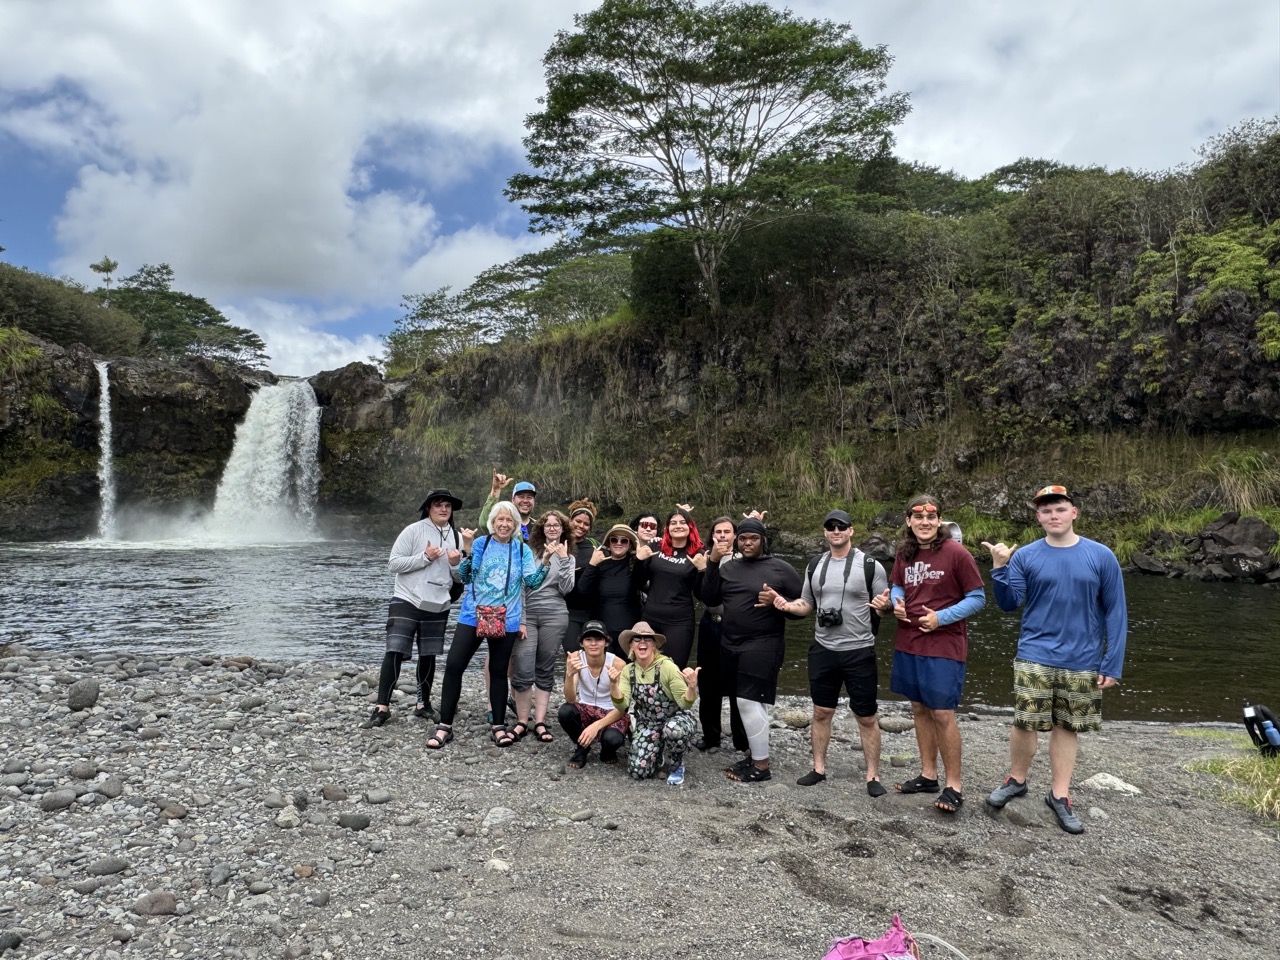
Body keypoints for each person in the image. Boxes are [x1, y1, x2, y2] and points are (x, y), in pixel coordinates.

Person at [981, 485, 1128, 834]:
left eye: (1060, 509)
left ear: (1074, 512)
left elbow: (1116, 611)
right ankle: (1016, 780)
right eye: (1046, 511)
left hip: (1083, 658)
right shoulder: (1026, 556)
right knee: (1024, 721)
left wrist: (1112, 662)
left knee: (1067, 726)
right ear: (1038, 517)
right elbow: (1008, 603)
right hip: (1035, 653)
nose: (1053, 515)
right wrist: (999, 568)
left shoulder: (1101, 556)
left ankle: (1059, 795)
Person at [874, 495, 986, 814]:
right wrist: (896, 603)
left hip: (944, 645)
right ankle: (928, 775)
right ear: (908, 521)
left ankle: (954, 786)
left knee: (942, 713)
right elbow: (898, 585)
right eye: (918, 517)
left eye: (931, 517)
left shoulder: (956, 553)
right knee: (919, 708)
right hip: (909, 642)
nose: (925, 522)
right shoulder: (905, 552)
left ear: (939, 521)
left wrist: (941, 618)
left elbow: (977, 598)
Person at [773, 509, 890, 796]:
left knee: (866, 716)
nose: (836, 531)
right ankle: (818, 769)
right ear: (825, 532)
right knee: (821, 711)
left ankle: (873, 776)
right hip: (823, 649)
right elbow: (806, 604)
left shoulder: (870, 566)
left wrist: (885, 606)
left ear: (851, 531)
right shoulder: (815, 565)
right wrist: (787, 606)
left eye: (841, 526)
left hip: (859, 650)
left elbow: (884, 606)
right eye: (830, 527)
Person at [427, 501, 549, 750]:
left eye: (509, 520)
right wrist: (468, 549)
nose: (504, 524)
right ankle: (445, 725)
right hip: (473, 615)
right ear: (492, 522)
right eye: (499, 519)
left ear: (515, 524)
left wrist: (546, 561)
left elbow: (532, 583)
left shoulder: (522, 549)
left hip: (507, 617)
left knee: (498, 671)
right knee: (454, 666)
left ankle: (499, 726)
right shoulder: (481, 543)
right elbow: (466, 576)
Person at [701, 517, 803, 783]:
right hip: (730, 643)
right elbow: (709, 597)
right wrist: (712, 563)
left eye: (753, 538)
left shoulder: (780, 568)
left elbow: (804, 606)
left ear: (763, 541)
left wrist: (779, 602)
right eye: (743, 538)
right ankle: (756, 755)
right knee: (745, 700)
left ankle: (761, 766)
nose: (747, 543)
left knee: (748, 700)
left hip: (764, 643)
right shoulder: (729, 567)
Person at [366, 489, 464, 728]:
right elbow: (393, 564)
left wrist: (455, 564)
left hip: (438, 602)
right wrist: (425, 557)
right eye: (438, 505)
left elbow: (460, 578)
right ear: (428, 508)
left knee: (429, 653)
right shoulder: (413, 530)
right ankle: (382, 707)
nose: (443, 509)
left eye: (447, 506)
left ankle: (423, 704)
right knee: (395, 650)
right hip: (406, 599)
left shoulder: (458, 537)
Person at [511, 510, 576, 743]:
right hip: (528, 612)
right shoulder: (528, 553)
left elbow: (567, 589)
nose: (552, 528)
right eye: (548, 525)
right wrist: (521, 619)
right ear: (541, 529)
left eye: (557, 525)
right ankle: (522, 721)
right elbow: (520, 587)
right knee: (523, 666)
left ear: (563, 529)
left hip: (555, 614)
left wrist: (565, 560)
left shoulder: (569, 556)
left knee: (545, 667)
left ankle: (539, 722)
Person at [608, 621, 700, 785]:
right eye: (637, 639)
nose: (642, 642)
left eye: (647, 639)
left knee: (673, 730)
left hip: (676, 719)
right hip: (649, 723)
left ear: (654, 645)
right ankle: (657, 754)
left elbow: (685, 704)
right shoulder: (628, 671)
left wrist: (692, 686)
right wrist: (614, 685)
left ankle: (677, 764)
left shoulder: (668, 667)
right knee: (638, 772)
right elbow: (622, 705)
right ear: (631, 646)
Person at [693, 516, 743, 753]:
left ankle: (741, 739)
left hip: (735, 625)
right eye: (718, 532)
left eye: (727, 531)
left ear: (735, 535)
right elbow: (700, 594)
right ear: (712, 535)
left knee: (737, 683)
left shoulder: (744, 558)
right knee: (708, 682)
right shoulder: (704, 556)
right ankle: (711, 736)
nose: (722, 535)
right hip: (710, 623)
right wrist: (703, 569)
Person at [639, 506, 704, 669]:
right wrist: (640, 561)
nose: (678, 526)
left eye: (682, 522)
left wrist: (703, 571)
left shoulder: (698, 553)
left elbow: (701, 594)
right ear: (667, 528)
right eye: (673, 523)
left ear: (690, 526)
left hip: (679, 622)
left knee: (673, 670)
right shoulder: (656, 546)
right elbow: (638, 582)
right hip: (650, 618)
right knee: (643, 668)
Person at [558, 619, 630, 767]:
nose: (593, 644)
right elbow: (570, 699)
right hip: (586, 708)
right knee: (565, 711)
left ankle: (607, 750)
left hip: (612, 711)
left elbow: (622, 708)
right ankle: (582, 748)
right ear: (581, 643)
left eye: (598, 639)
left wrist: (596, 726)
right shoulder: (575, 658)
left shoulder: (618, 664)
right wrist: (569, 675)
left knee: (613, 739)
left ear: (606, 642)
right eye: (588, 639)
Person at [576, 523, 646, 656]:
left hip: (628, 633)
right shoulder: (599, 564)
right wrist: (592, 564)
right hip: (602, 633)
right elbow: (583, 591)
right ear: (609, 543)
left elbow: (640, 583)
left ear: (630, 545)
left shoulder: (635, 566)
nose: (618, 543)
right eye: (614, 539)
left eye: (624, 541)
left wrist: (640, 560)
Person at [562, 499, 600, 653]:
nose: (581, 526)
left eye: (586, 524)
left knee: (593, 653)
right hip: (569, 610)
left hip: (592, 610)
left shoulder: (594, 546)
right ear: (570, 520)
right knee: (572, 651)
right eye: (578, 521)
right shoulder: (561, 544)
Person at [477, 470, 537, 538]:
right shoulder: (503, 526)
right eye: (521, 497)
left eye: (529, 497)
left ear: (534, 501)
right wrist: (495, 490)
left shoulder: (541, 527)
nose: (525, 500)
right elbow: (484, 523)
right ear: (513, 500)